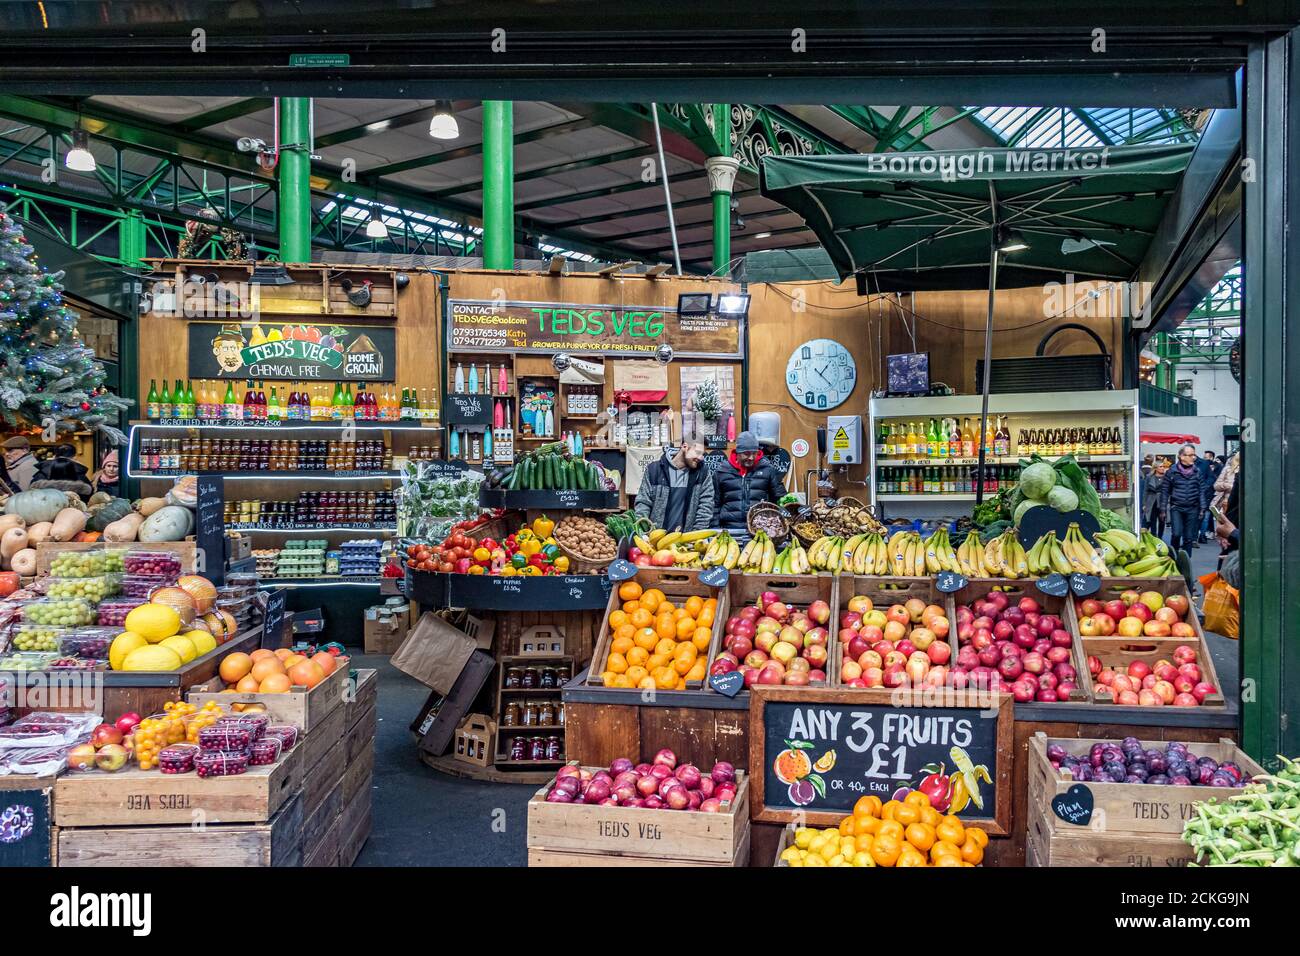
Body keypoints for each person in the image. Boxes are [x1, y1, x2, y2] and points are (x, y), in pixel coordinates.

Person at [633, 440, 715, 532]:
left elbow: (706, 506)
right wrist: (644, 532)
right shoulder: (654, 470)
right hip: (656, 540)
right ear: (685, 447)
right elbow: (643, 503)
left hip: (687, 541)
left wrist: (696, 535)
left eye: (702, 454)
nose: (701, 458)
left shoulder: (702, 473)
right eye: (698, 452)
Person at [714, 431, 786, 529]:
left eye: (754, 453)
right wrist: (715, 528)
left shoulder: (767, 469)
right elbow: (715, 503)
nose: (751, 458)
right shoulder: (722, 471)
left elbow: (780, 498)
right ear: (738, 452)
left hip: (759, 528)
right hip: (729, 528)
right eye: (746, 454)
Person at [1160, 443, 1211, 554]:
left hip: (1193, 508)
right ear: (1182, 456)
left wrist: (1203, 508)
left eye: (1194, 455)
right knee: (1176, 534)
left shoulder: (1197, 472)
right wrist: (1162, 509)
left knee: (1189, 537)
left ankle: (1186, 561)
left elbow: (1201, 490)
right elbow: (1164, 492)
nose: (1194, 457)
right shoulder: (1172, 472)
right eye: (1190, 455)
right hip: (1176, 507)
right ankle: (1173, 556)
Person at [1197, 451, 1223, 542]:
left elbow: (1216, 480)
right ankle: (1203, 534)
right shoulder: (1202, 466)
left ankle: (1204, 534)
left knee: (1207, 515)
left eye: (1206, 458)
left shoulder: (1217, 467)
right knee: (1205, 516)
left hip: (1210, 494)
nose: (1204, 459)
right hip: (1205, 493)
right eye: (1204, 457)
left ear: (1211, 458)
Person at [1140, 460, 1164, 537]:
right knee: (1151, 520)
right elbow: (1145, 491)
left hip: (1162, 501)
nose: (1163, 468)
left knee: (1162, 521)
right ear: (1156, 468)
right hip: (1151, 502)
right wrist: (1144, 504)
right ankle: (1153, 537)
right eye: (1161, 466)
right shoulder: (1149, 477)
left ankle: (1160, 538)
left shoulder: (1166, 477)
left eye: (1163, 466)